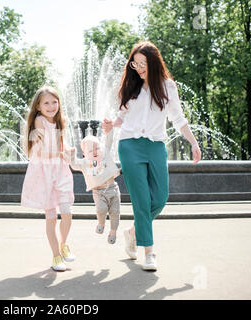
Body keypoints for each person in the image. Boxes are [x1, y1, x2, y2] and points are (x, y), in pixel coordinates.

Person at [102, 40, 202, 271]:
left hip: (156, 146)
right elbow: (122, 117)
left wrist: (194, 143)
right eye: (135, 64)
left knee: (161, 198)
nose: (138, 68)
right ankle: (149, 253)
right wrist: (111, 125)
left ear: (154, 62)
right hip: (129, 146)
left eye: (143, 63)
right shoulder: (132, 87)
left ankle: (133, 231)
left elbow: (178, 119)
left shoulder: (168, 87)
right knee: (142, 200)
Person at [21, 86, 76, 272]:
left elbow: (61, 143)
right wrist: (61, 152)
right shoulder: (39, 121)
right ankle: (55, 255)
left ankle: (64, 244)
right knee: (51, 217)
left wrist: (68, 151)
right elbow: (45, 149)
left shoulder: (61, 121)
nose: (51, 106)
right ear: (38, 106)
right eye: (46, 103)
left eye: (54, 101)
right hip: (45, 173)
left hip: (60, 171)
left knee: (67, 212)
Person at [66, 126, 121, 244]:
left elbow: (109, 141)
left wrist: (109, 130)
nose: (95, 152)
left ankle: (113, 232)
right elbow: (74, 165)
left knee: (115, 213)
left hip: (114, 189)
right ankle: (101, 223)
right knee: (102, 209)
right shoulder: (85, 163)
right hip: (98, 192)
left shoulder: (105, 154)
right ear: (85, 154)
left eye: (97, 148)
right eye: (91, 151)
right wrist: (72, 156)